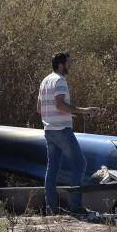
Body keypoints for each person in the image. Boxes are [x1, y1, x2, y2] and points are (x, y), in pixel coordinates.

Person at [37, 52, 99, 215]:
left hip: (49, 130)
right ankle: (76, 206)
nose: (70, 65)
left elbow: (39, 108)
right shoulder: (60, 80)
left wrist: (62, 114)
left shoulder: (45, 81)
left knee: (52, 169)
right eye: (68, 63)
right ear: (61, 65)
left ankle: (52, 208)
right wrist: (83, 111)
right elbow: (59, 104)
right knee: (79, 164)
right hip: (62, 131)